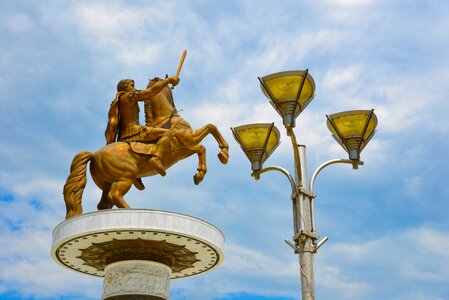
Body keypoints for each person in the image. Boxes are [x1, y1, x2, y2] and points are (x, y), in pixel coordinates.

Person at [105, 76, 180, 176]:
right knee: (169, 133)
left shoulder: (117, 102)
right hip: (135, 131)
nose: (134, 88)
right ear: (125, 88)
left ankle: (136, 172)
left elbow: (111, 127)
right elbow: (150, 92)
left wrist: (110, 144)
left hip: (122, 137)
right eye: (132, 85)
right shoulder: (129, 96)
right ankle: (156, 158)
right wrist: (168, 80)